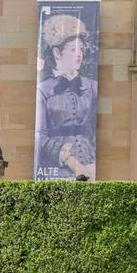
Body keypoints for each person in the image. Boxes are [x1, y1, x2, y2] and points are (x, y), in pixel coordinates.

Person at [35, 12, 97, 180]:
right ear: (57, 52)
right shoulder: (43, 90)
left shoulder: (91, 86)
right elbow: (40, 136)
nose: (79, 54)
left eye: (81, 49)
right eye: (73, 49)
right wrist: (72, 162)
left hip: (92, 166)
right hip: (58, 170)